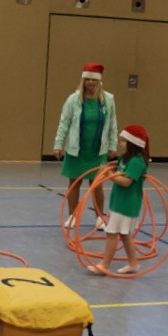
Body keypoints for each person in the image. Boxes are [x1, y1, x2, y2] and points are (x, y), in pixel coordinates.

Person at [53, 63, 118, 231]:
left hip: (98, 151)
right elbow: (64, 123)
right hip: (76, 151)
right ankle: (72, 216)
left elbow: (112, 124)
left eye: (94, 80)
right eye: (88, 80)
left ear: (99, 82)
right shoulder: (73, 100)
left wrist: (113, 145)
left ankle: (100, 217)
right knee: (74, 183)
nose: (91, 83)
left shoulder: (108, 100)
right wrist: (58, 144)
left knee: (97, 185)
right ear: (83, 81)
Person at [88, 125, 149, 276]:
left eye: (123, 141)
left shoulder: (136, 162)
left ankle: (105, 265)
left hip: (127, 204)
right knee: (123, 234)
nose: (121, 143)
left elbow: (126, 182)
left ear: (132, 143)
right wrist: (108, 169)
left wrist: (109, 174)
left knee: (112, 233)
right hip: (119, 202)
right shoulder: (126, 158)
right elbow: (118, 169)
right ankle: (133, 263)